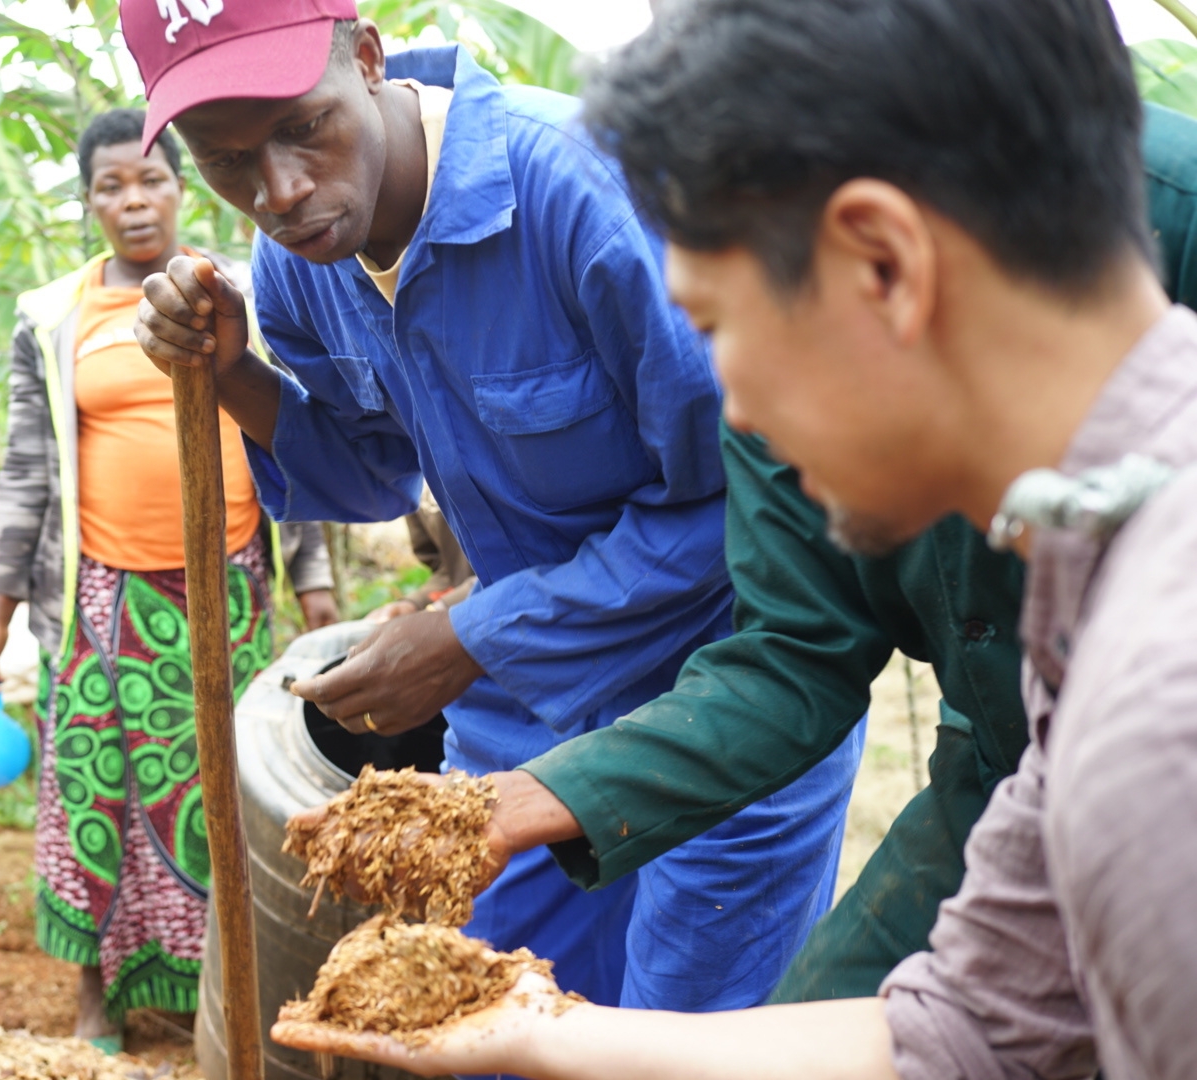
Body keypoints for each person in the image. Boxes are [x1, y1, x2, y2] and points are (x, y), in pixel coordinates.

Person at [272, 0, 1197, 1076]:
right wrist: (545, 1033)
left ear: (882, 264)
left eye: (715, 330)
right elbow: (978, 1020)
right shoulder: (1083, 611)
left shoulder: (1149, 724)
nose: (735, 420)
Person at [121, 0, 867, 1015]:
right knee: (493, 1019)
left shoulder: (583, 192)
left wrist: (470, 636)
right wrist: (235, 373)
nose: (280, 191)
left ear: (370, 60)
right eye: (226, 160)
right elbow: (365, 473)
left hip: (724, 695)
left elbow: (744, 504)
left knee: (680, 1033)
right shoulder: (307, 260)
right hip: (524, 708)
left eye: (304, 127)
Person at [0, 108, 335, 1045]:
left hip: (232, 587)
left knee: (223, 795)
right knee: (94, 790)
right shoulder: (52, 316)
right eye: (110, 186)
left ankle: (228, 992)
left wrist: (317, 584)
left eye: (151, 180)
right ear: (88, 201)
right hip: (97, 601)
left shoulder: (240, 290)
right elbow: (28, 471)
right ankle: (99, 999)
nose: (133, 201)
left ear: (182, 185)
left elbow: (295, 429)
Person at [366, 485, 476, 623]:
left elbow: (507, 569)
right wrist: (414, 604)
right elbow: (449, 570)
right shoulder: (413, 483)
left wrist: (444, 607)